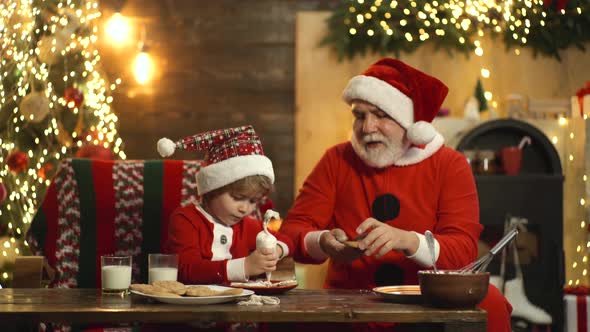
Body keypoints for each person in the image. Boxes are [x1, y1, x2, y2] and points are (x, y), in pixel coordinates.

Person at [280, 58, 512, 331]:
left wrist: (407, 241)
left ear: (409, 122)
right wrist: (323, 241)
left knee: (492, 303)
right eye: (360, 115)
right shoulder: (337, 160)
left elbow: (463, 251)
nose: (367, 128)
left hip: (427, 304)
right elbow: (292, 232)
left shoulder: (449, 164)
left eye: (381, 115)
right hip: (350, 304)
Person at [157, 125, 293, 284]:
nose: (244, 209)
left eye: (252, 201)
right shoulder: (185, 220)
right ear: (213, 189)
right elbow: (186, 270)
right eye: (237, 197)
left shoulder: (247, 226)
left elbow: (287, 241)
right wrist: (245, 266)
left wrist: (277, 250)